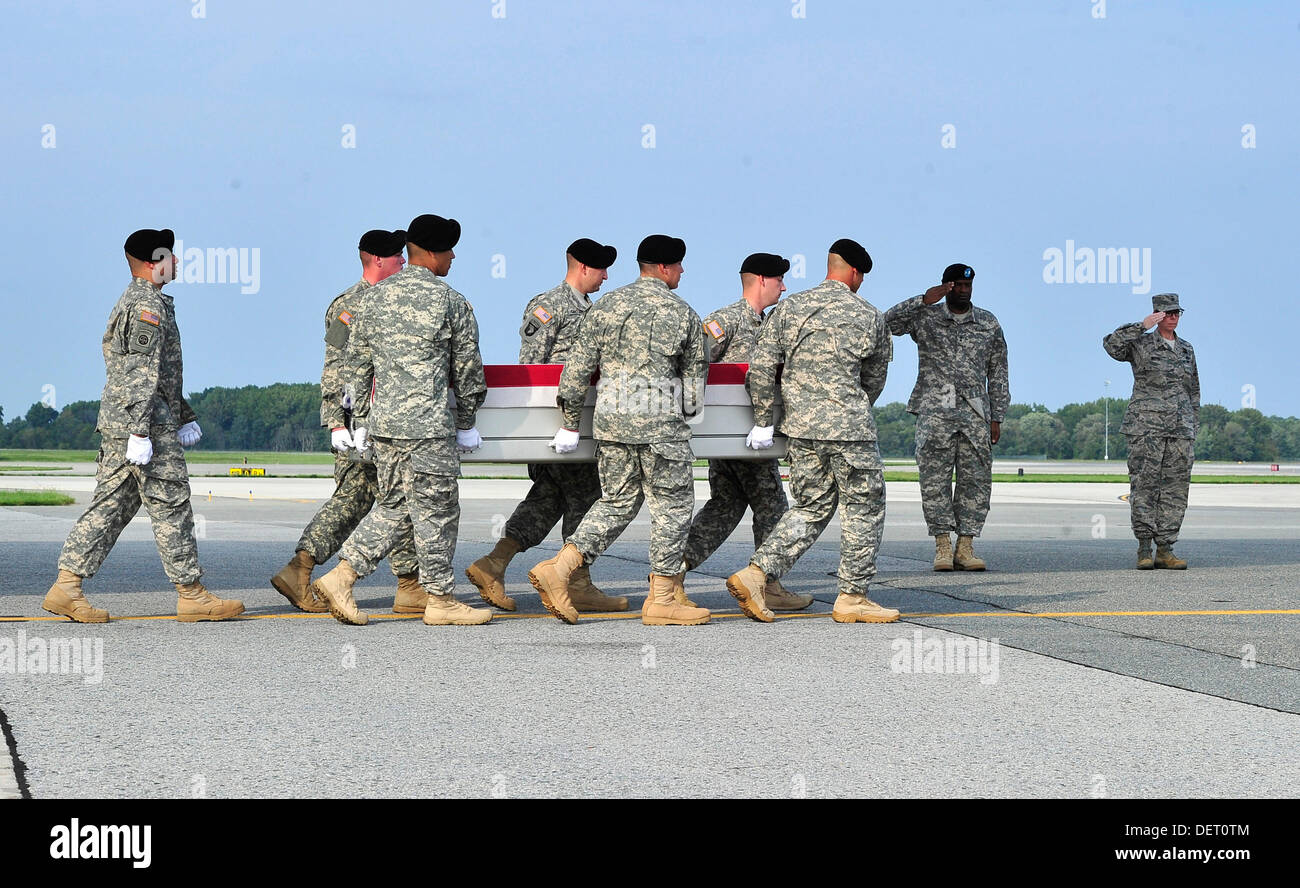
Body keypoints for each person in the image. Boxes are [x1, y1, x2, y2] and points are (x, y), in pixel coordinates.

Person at [44, 228, 243, 623]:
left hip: (138, 420)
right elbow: (139, 372)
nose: (178, 262)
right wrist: (139, 430)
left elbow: (160, 373)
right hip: (144, 425)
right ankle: (192, 594)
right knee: (172, 503)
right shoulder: (145, 307)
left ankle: (66, 587)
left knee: (112, 504)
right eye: (171, 255)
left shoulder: (148, 302)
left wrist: (183, 413)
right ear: (154, 262)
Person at [309, 214, 492, 625]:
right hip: (427, 429)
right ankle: (440, 601)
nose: (453, 256)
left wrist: (356, 421)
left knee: (397, 506)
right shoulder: (450, 301)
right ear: (430, 253)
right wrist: (466, 421)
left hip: (385, 428)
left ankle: (343, 575)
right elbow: (467, 372)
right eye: (448, 249)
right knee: (439, 509)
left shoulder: (372, 300)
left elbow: (353, 368)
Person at [527, 234, 711, 626]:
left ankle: (560, 568)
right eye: (679, 264)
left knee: (616, 503)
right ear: (664, 268)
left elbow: (574, 373)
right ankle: (662, 599)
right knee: (672, 508)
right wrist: (684, 413)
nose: (682, 271)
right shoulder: (683, 315)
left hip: (610, 424)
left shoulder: (605, 307)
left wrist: (571, 423)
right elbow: (694, 394)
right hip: (661, 427)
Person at [726, 239, 897, 624]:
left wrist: (765, 420)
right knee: (864, 508)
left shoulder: (788, 308)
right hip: (849, 429)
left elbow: (761, 370)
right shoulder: (869, 315)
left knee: (810, 507)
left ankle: (756, 575)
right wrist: (847, 408)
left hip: (801, 431)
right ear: (855, 273)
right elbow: (874, 380)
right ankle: (852, 596)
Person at [466, 238, 627, 613]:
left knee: (548, 499)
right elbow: (532, 370)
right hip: (558, 426)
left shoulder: (591, 309)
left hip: (580, 425)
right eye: (600, 268)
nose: (605, 276)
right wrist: (545, 431)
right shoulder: (548, 306)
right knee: (587, 498)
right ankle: (577, 583)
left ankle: (493, 565)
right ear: (582, 267)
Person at [270, 229, 426, 614]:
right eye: (396, 257)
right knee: (362, 500)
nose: (403, 261)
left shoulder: (392, 302)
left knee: (389, 498)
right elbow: (336, 370)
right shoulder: (349, 306)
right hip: (360, 428)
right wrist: (339, 422)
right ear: (376, 260)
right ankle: (302, 569)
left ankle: (408, 583)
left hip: (385, 423)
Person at [681, 252, 811, 611]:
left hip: (748, 438)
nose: (784, 287)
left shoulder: (768, 324)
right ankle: (767, 584)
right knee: (772, 506)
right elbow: (694, 360)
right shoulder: (727, 320)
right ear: (761, 280)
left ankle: (672, 572)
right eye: (779, 280)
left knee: (725, 506)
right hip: (739, 437)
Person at [883, 264, 1009, 571]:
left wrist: (997, 415)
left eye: (968, 286)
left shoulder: (988, 323)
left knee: (976, 480)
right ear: (947, 286)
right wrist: (923, 300)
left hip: (975, 410)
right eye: (958, 286)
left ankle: (965, 547)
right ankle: (942, 545)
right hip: (936, 408)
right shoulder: (926, 316)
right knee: (934, 480)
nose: (964, 291)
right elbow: (887, 323)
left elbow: (999, 370)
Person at [1103, 293, 1200, 569]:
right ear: (1157, 314)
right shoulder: (1141, 344)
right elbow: (1111, 345)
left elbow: (1193, 389)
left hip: (1180, 430)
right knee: (1144, 486)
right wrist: (1141, 326)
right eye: (1168, 313)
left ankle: (1166, 548)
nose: (1173, 317)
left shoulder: (1186, 349)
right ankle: (1144, 548)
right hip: (1146, 428)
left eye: (1177, 313)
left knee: (1175, 490)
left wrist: (1193, 425)